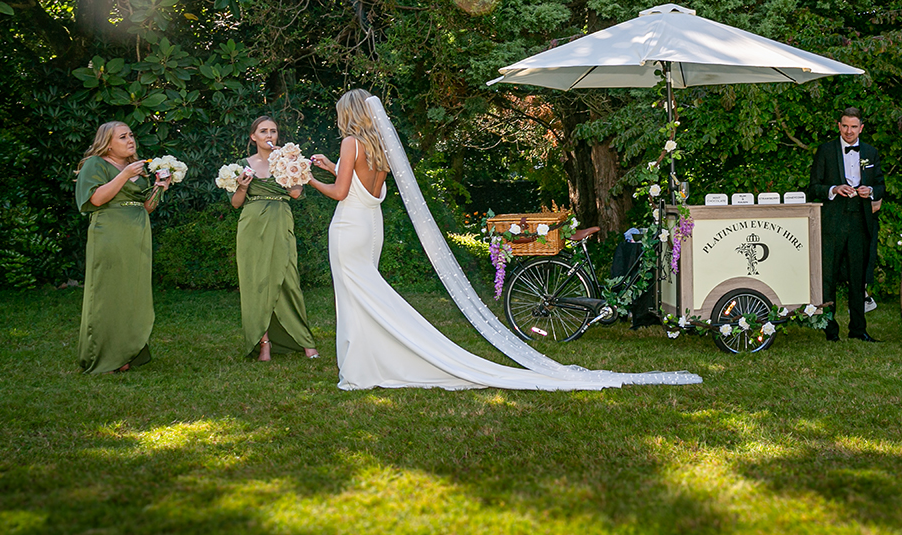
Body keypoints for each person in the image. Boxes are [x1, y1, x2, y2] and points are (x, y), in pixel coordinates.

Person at [308, 89, 700, 390]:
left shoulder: (350, 142)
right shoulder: (378, 148)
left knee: (355, 295)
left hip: (349, 228)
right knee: (368, 293)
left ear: (349, 115)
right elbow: (363, 183)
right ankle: (370, 360)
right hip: (370, 228)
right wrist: (331, 167)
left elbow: (342, 193)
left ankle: (362, 366)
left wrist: (308, 178)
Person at [74, 122, 171, 373]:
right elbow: (95, 199)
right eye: (123, 136)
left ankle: (127, 350)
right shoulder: (96, 164)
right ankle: (105, 354)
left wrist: (160, 188)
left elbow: (146, 206)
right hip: (110, 232)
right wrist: (125, 174)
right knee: (109, 293)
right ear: (107, 143)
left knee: (132, 292)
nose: (130, 140)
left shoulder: (137, 168)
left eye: (131, 135)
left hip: (137, 233)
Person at [229, 116, 318, 362]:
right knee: (256, 281)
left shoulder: (289, 161)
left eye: (274, 131)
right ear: (253, 136)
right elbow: (236, 204)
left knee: (289, 278)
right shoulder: (242, 164)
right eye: (263, 131)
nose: (269, 135)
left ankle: (304, 340)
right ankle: (264, 343)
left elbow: (297, 194)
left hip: (280, 220)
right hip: (252, 224)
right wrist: (243, 187)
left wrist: (284, 166)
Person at [808, 107, 886, 342]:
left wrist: (870, 190)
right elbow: (813, 187)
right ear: (838, 126)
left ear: (861, 128)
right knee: (828, 275)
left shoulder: (871, 153)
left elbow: (882, 186)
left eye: (854, 127)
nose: (849, 131)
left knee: (857, 276)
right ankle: (829, 329)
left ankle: (858, 329)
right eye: (845, 126)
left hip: (861, 221)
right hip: (833, 222)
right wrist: (833, 189)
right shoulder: (825, 151)